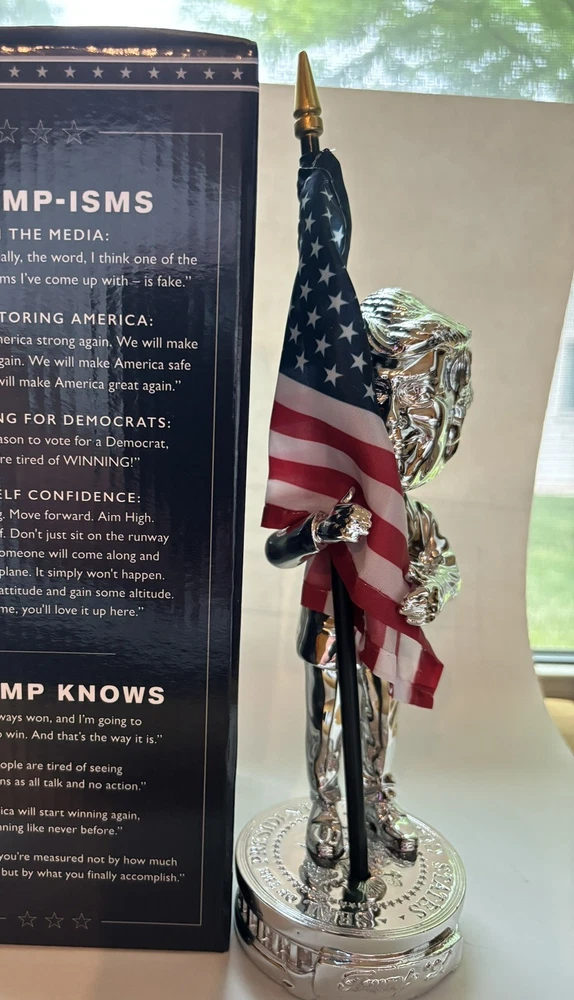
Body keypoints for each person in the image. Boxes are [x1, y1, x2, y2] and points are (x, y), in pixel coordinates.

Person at [265, 288, 473, 865]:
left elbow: (442, 562)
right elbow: (278, 550)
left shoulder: (408, 513)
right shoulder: (327, 498)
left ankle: (378, 799)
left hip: (387, 625)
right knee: (327, 719)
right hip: (330, 625)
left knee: (383, 720)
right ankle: (326, 807)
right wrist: (320, 531)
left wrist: (433, 590)